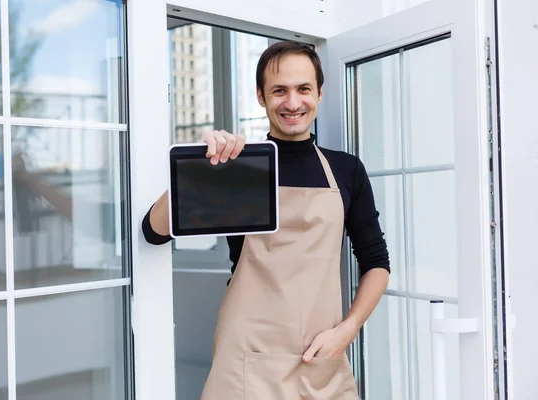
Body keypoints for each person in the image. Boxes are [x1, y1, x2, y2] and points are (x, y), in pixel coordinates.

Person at [142, 41, 390, 399]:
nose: (292, 103)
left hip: (320, 354)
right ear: (261, 96)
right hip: (245, 359)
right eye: (279, 91)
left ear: (320, 93)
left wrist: (347, 331)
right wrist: (198, 167)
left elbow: (376, 263)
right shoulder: (238, 167)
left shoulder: (346, 170)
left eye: (303, 89)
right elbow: (154, 231)